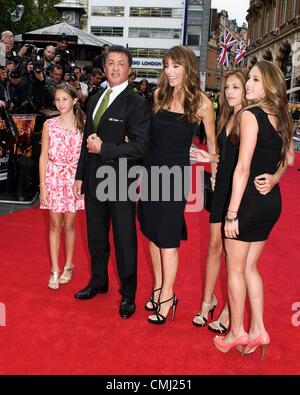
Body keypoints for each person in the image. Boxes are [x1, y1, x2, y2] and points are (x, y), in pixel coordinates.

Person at [213, 60, 294, 358]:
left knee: (235, 268)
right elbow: (288, 161)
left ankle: (237, 331)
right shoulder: (282, 116)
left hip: (247, 201)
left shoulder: (250, 114)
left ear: (270, 85)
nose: (248, 85)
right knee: (250, 267)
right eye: (250, 79)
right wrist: (274, 179)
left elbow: (243, 168)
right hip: (271, 201)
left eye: (256, 80)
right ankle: (258, 328)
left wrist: (231, 214)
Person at [138, 45, 217, 324]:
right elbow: (148, 138)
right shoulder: (159, 95)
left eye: (175, 66)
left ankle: (169, 296)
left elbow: (215, 150)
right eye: (166, 66)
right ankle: (158, 288)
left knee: (168, 239)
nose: (169, 72)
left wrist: (214, 171)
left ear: (188, 68)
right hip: (150, 173)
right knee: (151, 233)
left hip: (175, 177)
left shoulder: (202, 104)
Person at [73, 45, 150, 319]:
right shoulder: (94, 98)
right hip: (93, 180)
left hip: (120, 182)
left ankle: (128, 294)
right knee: (95, 236)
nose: (115, 68)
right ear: (103, 68)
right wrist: (80, 175)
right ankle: (98, 281)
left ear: (129, 70)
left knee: (124, 239)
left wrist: (106, 149)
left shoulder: (138, 103)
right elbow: (86, 142)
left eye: (121, 63)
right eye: (111, 63)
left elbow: (140, 147)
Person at [191, 69, 248, 332]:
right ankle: (207, 300)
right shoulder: (227, 115)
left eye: (236, 87)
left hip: (240, 193)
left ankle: (228, 309)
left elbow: (261, 160)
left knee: (234, 256)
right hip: (221, 189)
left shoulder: (250, 118)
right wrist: (207, 159)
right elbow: (224, 156)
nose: (229, 92)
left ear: (247, 88)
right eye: (227, 87)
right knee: (214, 246)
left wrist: (272, 177)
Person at [39, 83, 85, 290]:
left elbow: (86, 155)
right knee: (55, 224)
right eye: (57, 99)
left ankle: (69, 265)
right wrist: (43, 186)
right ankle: (55, 269)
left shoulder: (83, 122)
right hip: (54, 177)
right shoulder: (49, 124)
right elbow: (43, 157)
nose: (60, 103)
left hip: (74, 178)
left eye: (64, 99)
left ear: (75, 100)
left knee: (70, 225)